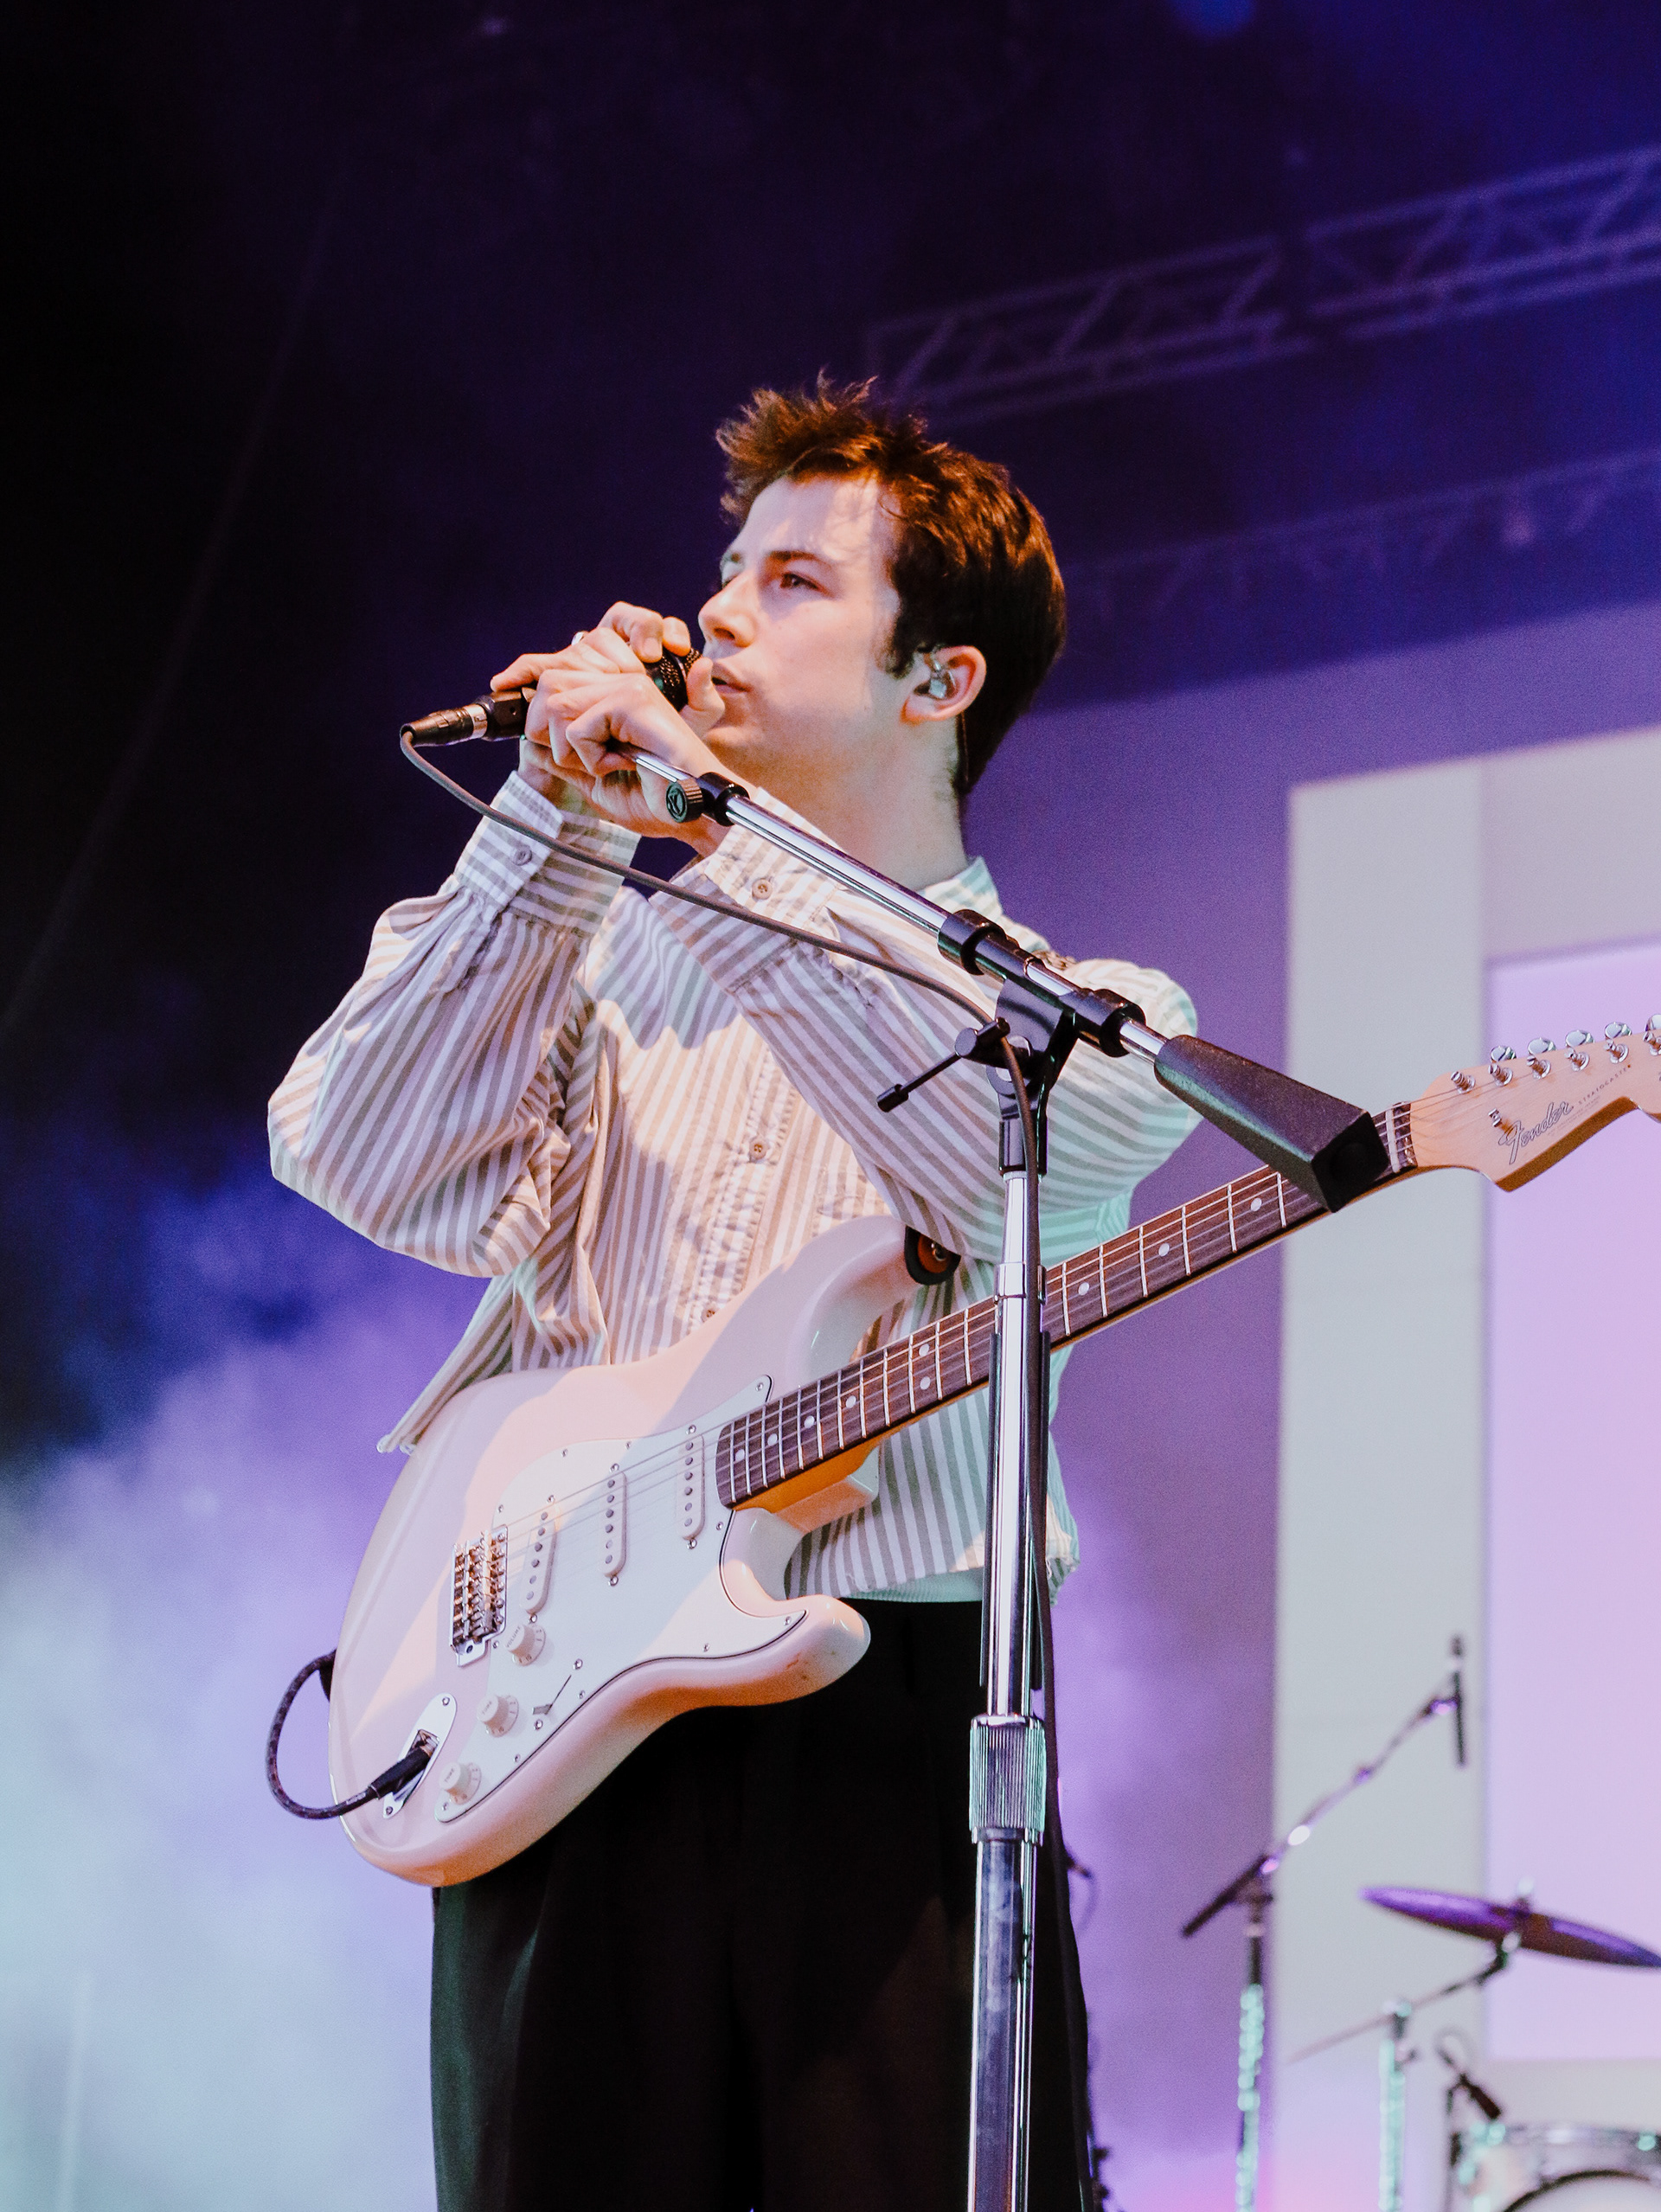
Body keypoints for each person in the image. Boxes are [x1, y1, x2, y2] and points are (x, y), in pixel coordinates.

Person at [269, 379, 1197, 2212]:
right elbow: (353, 1151)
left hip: (884, 1725)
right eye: (728, 572)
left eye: (793, 582)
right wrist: (549, 821)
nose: (716, 614)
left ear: (938, 680)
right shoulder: (598, 960)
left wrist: (713, 822)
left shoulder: (1077, 1017)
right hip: (560, 1709)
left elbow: (991, 1171)